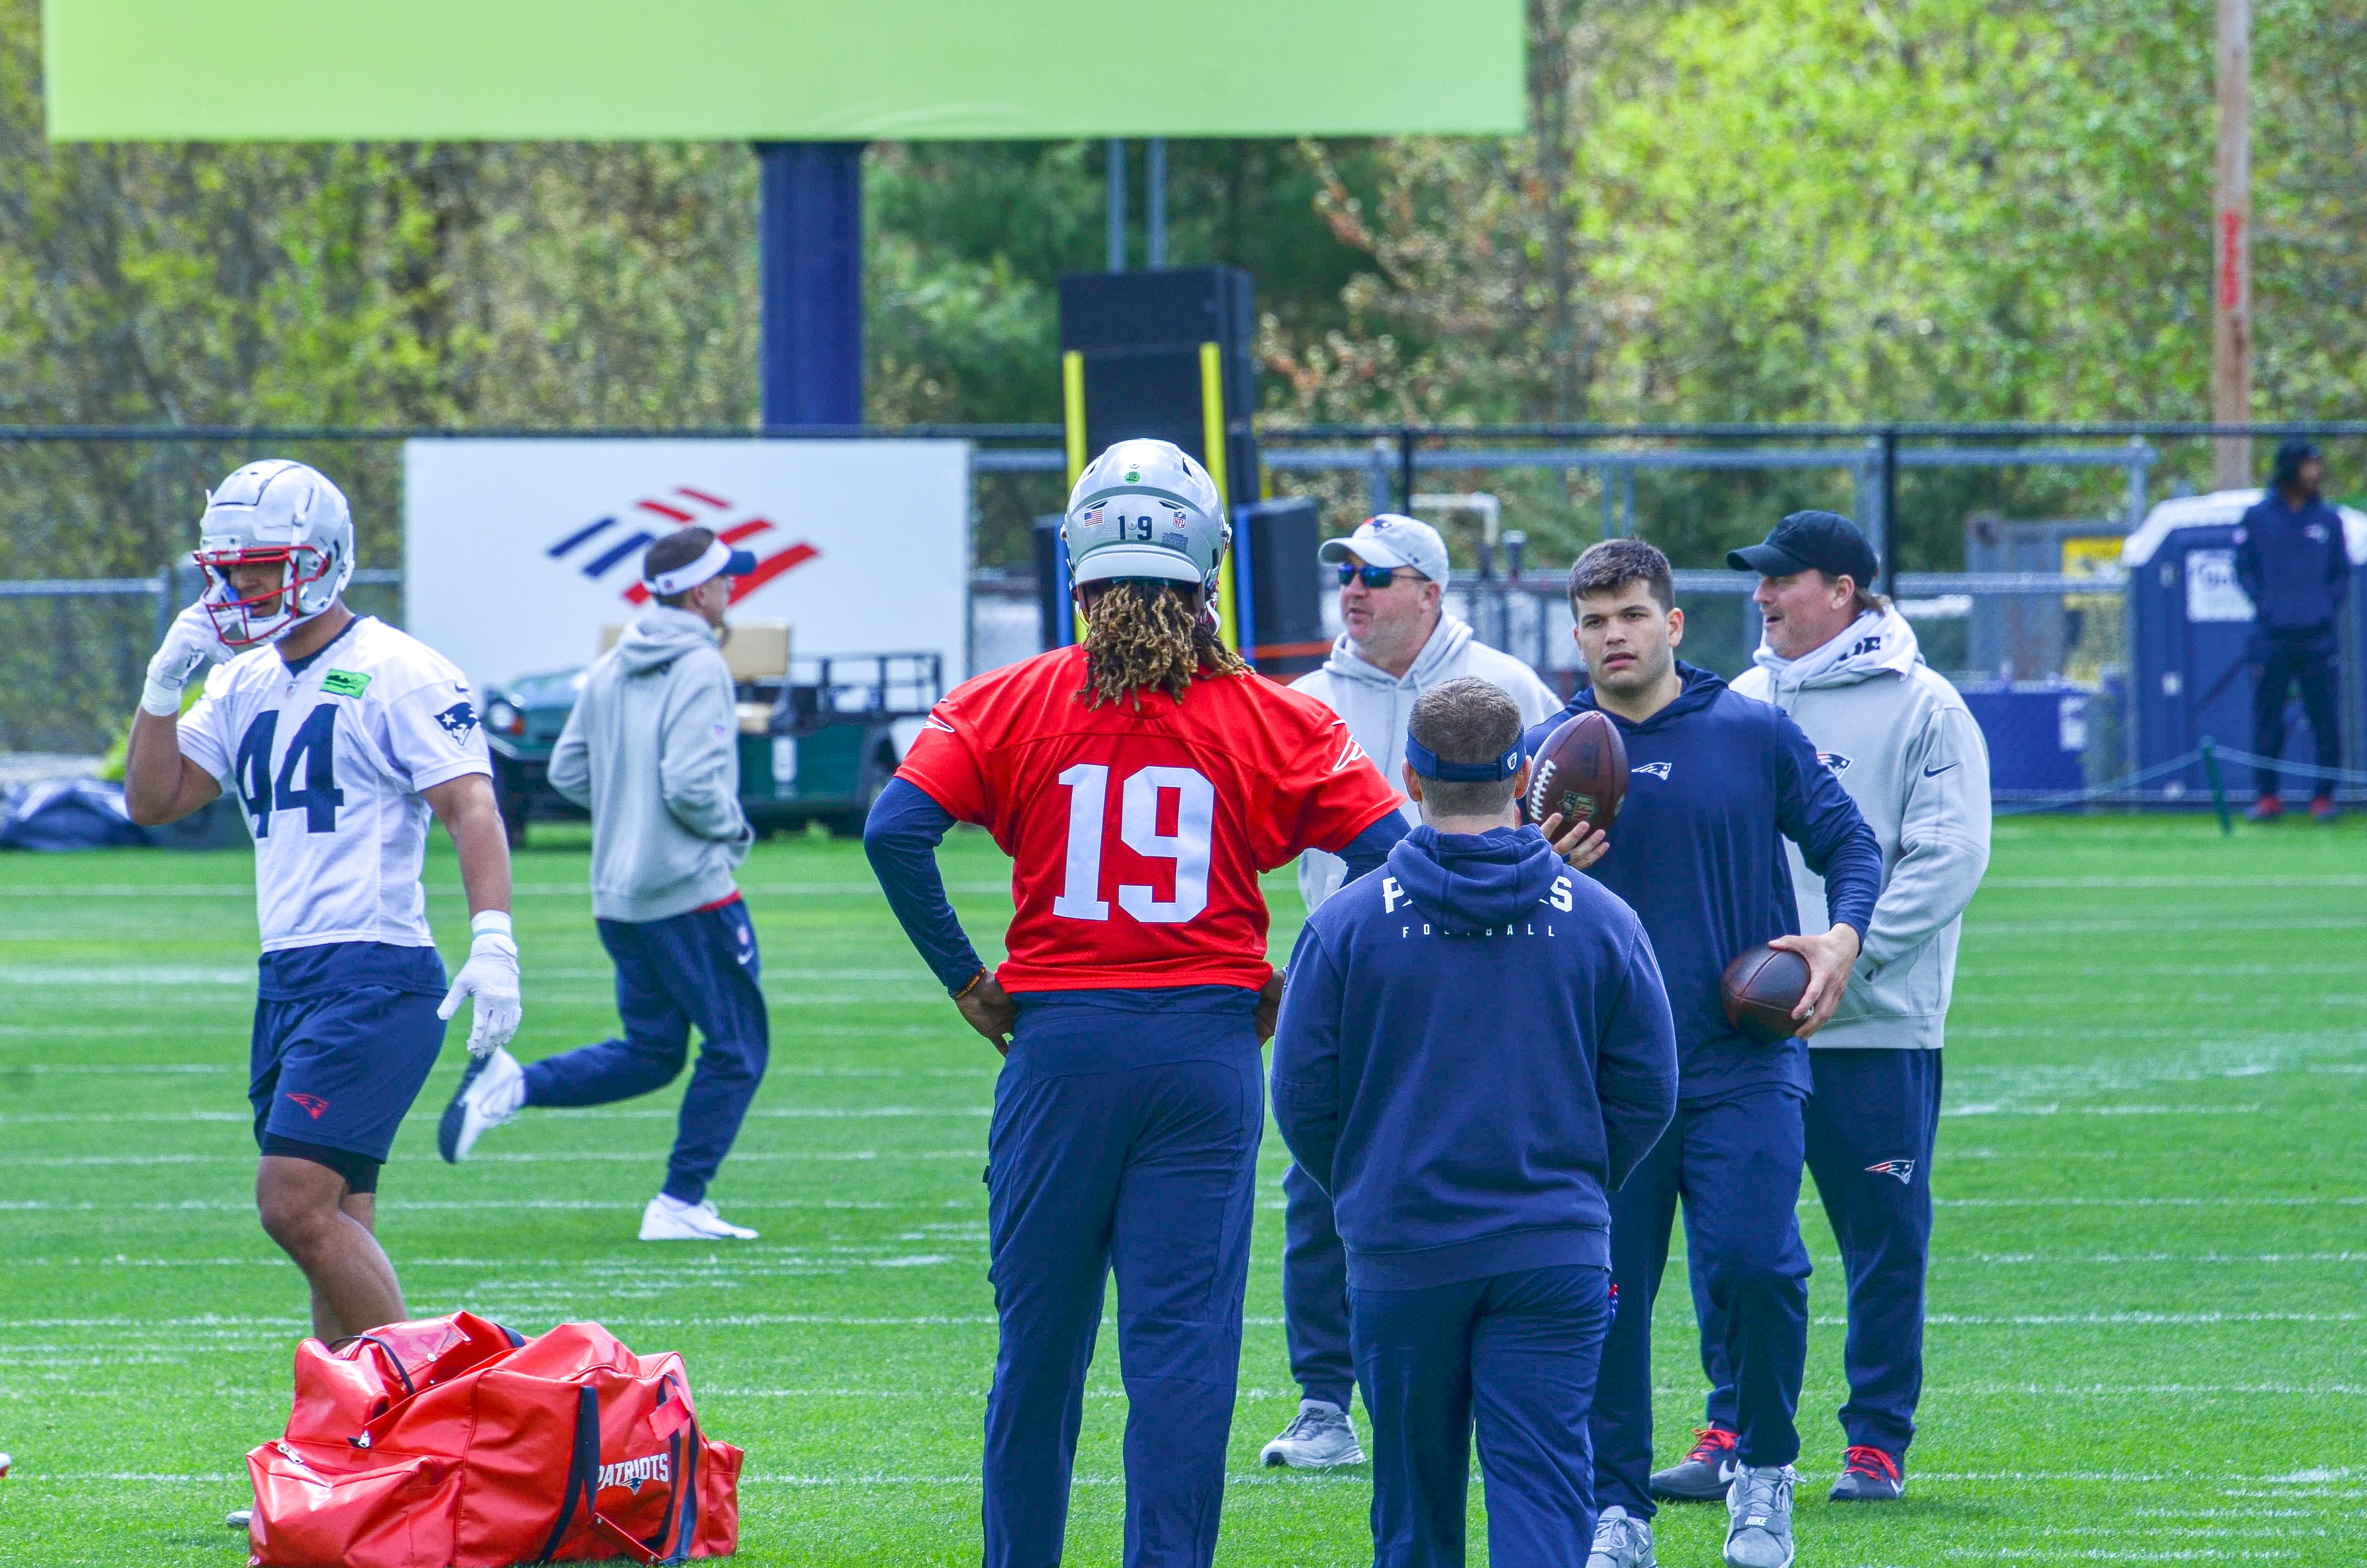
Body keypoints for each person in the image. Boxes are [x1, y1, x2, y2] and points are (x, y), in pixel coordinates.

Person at [861, 439, 1411, 1568]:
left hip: (1058, 1049)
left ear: (1079, 560)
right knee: (1181, 1357)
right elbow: (1394, 862)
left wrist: (967, 977)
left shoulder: (1003, 701)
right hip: (1204, 1054)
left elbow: (895, 830)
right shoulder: (1275, 717)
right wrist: (1295, 984)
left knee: (1039, 1352)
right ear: (1209, 565)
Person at [1525, 540, 1883, 1568]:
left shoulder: (1751, 730)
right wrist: (1530, 870)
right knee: (1601, 1295)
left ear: (1672, 624)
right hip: (1601, 1078)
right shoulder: (1552, 754)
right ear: (1577, 634)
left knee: (1757, 1266)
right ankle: (1615, 1509)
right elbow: (1504, 909)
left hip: (1740, 1062)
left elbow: (1850, 849)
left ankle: (1760, 1472)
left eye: (1631, 615)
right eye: (1593, 622)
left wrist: (1837, 939)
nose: (1613, 636)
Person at [1272, 677, 1679, 1568]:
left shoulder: (1343, 923)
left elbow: (1300, 1098)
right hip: (1553, 1245)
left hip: (1402, 1249)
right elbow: (1648, 1086)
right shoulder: (1604, 919)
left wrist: (1370, 1185)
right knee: (1543, 1489)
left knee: (1415, 1505)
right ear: (1526, 773)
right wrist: (1575, 1179)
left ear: (1409, 779)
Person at [123, 459, 522, 1344]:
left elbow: (471, 804)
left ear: (324, 557)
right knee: (335, 1221)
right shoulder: (240, 679)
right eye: (230, 566)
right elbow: (154, 801)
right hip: (291, 974)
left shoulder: (399, 667)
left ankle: (418, 1414)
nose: (244, 582)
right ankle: (346, 1453)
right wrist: (162, 683)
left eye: (265, 562)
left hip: (374, 970)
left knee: (293, 1204)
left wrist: (493, 940)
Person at [1647, 512, 1987, 1505]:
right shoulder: (1745, 702)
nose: (1759, 597)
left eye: (1780, 581)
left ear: (1840, 591)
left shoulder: (1926, 706)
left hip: (1876, 1025)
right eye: (1757, 581)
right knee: (1732, 1236)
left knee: (1882, 1238)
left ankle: (1874, 1443)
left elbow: (1949, 858)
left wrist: (1846, 954)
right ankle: (1730, 1426)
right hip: (1743, 1035)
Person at [1265, 512, 1563, 1471]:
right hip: (1352, 972)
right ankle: (1323, 1403)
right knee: (1318, 1184)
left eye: (1375, 575)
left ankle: (1496, 1387)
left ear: (1430, 592)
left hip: (1493, 971)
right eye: (1344, 572)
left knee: (1498, 1174)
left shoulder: (1510, 689)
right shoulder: (1305, 701)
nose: (1351, 588)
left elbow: (1562, 826)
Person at [438, 526, 768, 1242]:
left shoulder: (615, 662)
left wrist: (629, 813)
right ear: (699, 590)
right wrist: (730, 828)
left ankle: (513, 1084)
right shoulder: (702, 666)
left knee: (652, 1052)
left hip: (619, 899)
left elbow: (567, 771)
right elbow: (690, 784)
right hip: (691, 891)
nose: (733, 589)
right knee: (738, 1049)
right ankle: (680, 1201)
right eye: (725, 579)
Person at [2234, 439, 2351, 822]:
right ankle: (2267, 798)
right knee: (2269, 716)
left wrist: (2322, 608)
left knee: (2324, 718)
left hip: (2318, 637)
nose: (2315, 473)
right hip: (2273, 637)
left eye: (2318, 466)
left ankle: (2324, 799)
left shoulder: (2329, 521)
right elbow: (2244, 569)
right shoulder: (2257, 518)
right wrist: (2267, 606)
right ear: (2290, 469)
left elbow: (2340, 575)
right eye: (2308, 466)